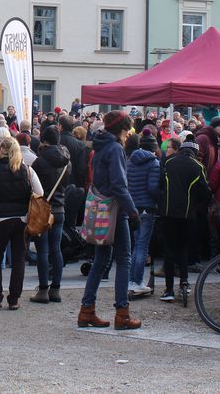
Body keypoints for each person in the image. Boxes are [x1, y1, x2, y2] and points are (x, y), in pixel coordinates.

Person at [78, 111, 142, 330]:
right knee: (124, 259)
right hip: (115, 208)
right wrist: (133, 212)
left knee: (101, 260)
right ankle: (122, 314)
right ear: (123, 129)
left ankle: (87, 310)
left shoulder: (100, 147)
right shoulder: (115, 148)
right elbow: (119, 185)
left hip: (102, 207)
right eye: (128, 129)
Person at [0, 136, 43, 310]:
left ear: (0, 151)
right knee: (18, 260)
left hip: (0, 218)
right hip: (22, 220)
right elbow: (40, 192)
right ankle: (14, 299)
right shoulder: (27, 170)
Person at [158, 136, 210, 302]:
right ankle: (184, 282)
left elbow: (160, 185)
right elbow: (205, 192)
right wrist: (196, 205)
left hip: (167, 212)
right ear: (194, 151)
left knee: (168, 249)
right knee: (182, 248)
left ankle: (168, 289)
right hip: (188, 214)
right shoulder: (198, 166)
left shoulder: (168, 162)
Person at [28, 126, 71, 303]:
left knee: (42, 251)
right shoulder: (67, 161)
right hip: (60, 208)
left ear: (44, 141)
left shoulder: (40, 162)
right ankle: (56, 289)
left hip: (43, 209)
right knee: (56, 250)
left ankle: (43, 290)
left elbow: (34, 187)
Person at [126, 131, 161, 299]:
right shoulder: (154, 163)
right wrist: (160, 198)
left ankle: (131, 280)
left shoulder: (130, 161)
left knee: (134, 245)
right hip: (147, 207)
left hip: (133, 207)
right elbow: (153, 188)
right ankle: (136, 281)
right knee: (142, 245)